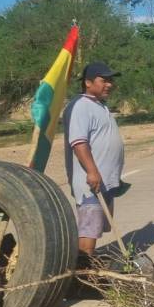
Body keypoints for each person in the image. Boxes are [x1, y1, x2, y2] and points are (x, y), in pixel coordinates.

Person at [64, 62, 124, 257]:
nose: (109, 84)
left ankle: (89, 266)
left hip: (104, 181)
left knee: (95, 231)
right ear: (88, 82)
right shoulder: (81, 106)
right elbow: (79, 143)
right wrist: (92, 171)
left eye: (111, 80)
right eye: (104, 80)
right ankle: (83, 276)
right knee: (87, 235)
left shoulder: (99, 105)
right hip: (91, 183)